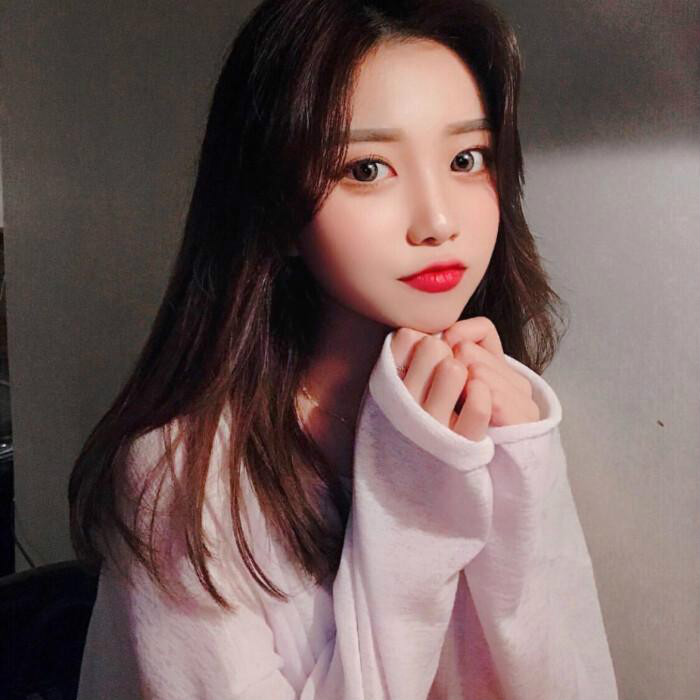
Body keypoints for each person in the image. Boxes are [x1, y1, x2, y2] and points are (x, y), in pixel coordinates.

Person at [69, 0, 619, 698]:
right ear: (274, 202)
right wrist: (414, 503)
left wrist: (522, 461)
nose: (438, 221)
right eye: (365, 169)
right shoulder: (184, 475)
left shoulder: (495, 402)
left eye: (465, 158)